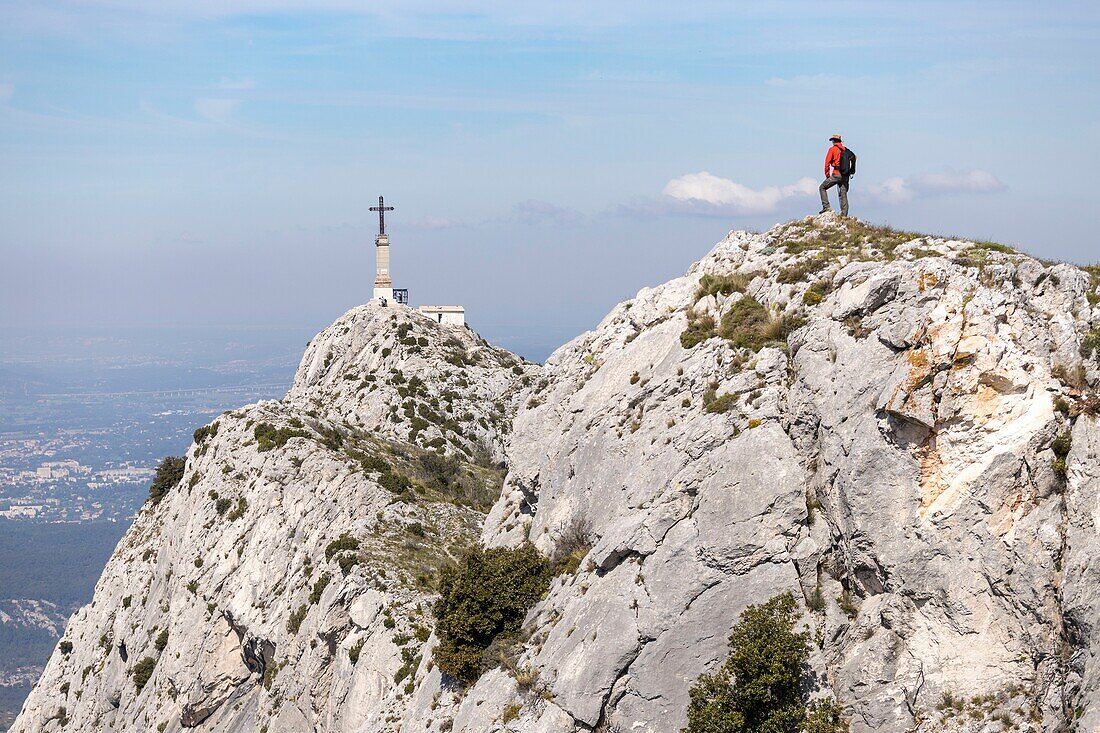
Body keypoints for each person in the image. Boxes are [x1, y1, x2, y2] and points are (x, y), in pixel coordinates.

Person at [819, 134, 850, 216]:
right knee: (843, 195)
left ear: (833, 141)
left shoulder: (832, 149)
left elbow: (827, 163)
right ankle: (844, 215)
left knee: (822, 187)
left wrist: (827, 175)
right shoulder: (846, 150)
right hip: (845, 176)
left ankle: (826, 207)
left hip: (836, 174)